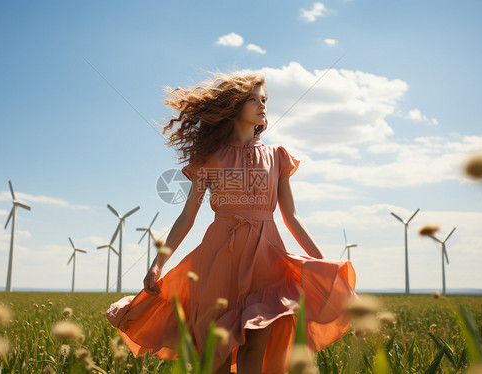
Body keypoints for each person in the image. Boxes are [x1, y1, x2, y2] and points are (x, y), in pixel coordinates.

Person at [106, 72, 356, 373]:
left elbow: (291, 216)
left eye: (264, 100)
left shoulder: (278, 156)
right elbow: (187, 215)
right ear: (235, 106)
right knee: (217, 360)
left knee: (254, 355)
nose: (262, 105)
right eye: (253, 99)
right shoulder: (209, 158)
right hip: (218, 263)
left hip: (267, 264)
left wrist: (320, 262)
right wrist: (159, 262)